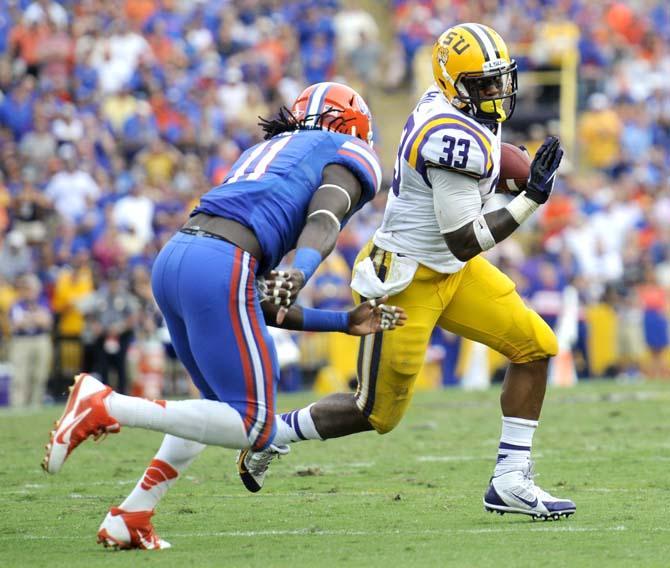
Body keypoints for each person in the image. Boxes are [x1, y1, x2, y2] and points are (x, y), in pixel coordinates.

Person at [41, 82, 406, 549]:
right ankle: (106, 405)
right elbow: (325, 216)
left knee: (213, 410)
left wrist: (342, 322)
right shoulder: (346, 151)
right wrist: (302, 269)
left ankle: (132, 515)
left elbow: (261, 305)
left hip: (179, 258)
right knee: (256, 426)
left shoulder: (266, 154)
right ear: (347, 126)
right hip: (221, 263)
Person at [239, 23, 576, 521]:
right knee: (375, 412)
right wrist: (530, 198)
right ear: (455, 85)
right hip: (406, 277)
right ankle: (275, 433)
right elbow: (463, 239)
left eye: (499, 80)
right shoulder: (448, 138)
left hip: (451, 272)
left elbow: (481, 171)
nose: (496, 93)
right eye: (483, 85)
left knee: (536, 348)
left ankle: (509, 481)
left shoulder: (460, 107)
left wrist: (511, 166)